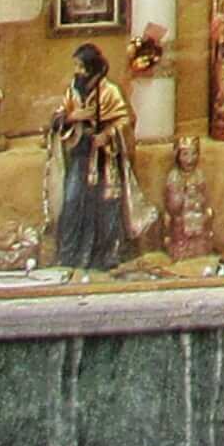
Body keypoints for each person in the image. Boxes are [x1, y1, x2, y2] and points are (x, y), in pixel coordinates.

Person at [42, 42, 139, 273]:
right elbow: (58, 117)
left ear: (91, 67)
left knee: (105, 207)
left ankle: (104, 256)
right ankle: (70, 255)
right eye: (76, 66)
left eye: (80, 66)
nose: (77, 71)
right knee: (72, 201)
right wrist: (71, 117)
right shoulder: (73, 90)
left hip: (104, 160)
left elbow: (125, 120)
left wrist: (108, 135)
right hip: (80, 155)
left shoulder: (109, 91)